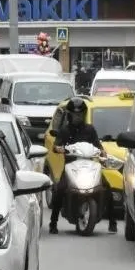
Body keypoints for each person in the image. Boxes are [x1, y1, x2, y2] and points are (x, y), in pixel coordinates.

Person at [48, 96, 116, 235]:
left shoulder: (90, 130)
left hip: (89, 165)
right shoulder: (65, 130)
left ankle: (112, 221)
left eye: (80, 114)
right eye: (74, 114)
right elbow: (56, 146)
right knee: (59, 189)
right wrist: (60, 149)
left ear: (84, 115)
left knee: (107, 187)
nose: (77, 117)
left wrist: (103, 153)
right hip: (71, 166)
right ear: (70, 115)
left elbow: (98, 145)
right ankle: (53, 223)